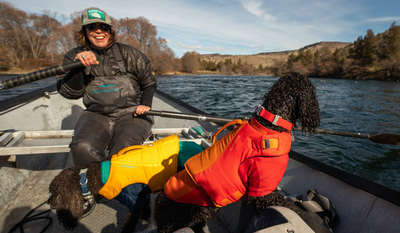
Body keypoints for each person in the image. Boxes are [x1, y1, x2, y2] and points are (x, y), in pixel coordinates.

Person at [57, 7, 157, 216]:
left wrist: (145, 104)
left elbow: (149, 82)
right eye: (92, 27)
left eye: (104, 27)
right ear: (84, 31)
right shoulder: (73, 56)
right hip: (96, 113)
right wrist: (76, 66)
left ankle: (134, 197)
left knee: (124, 149)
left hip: (132, 112)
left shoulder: (130, 53)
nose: (98, 31)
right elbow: (71, 93)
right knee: (82, 147)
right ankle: (93, 189)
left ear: (111, 30)